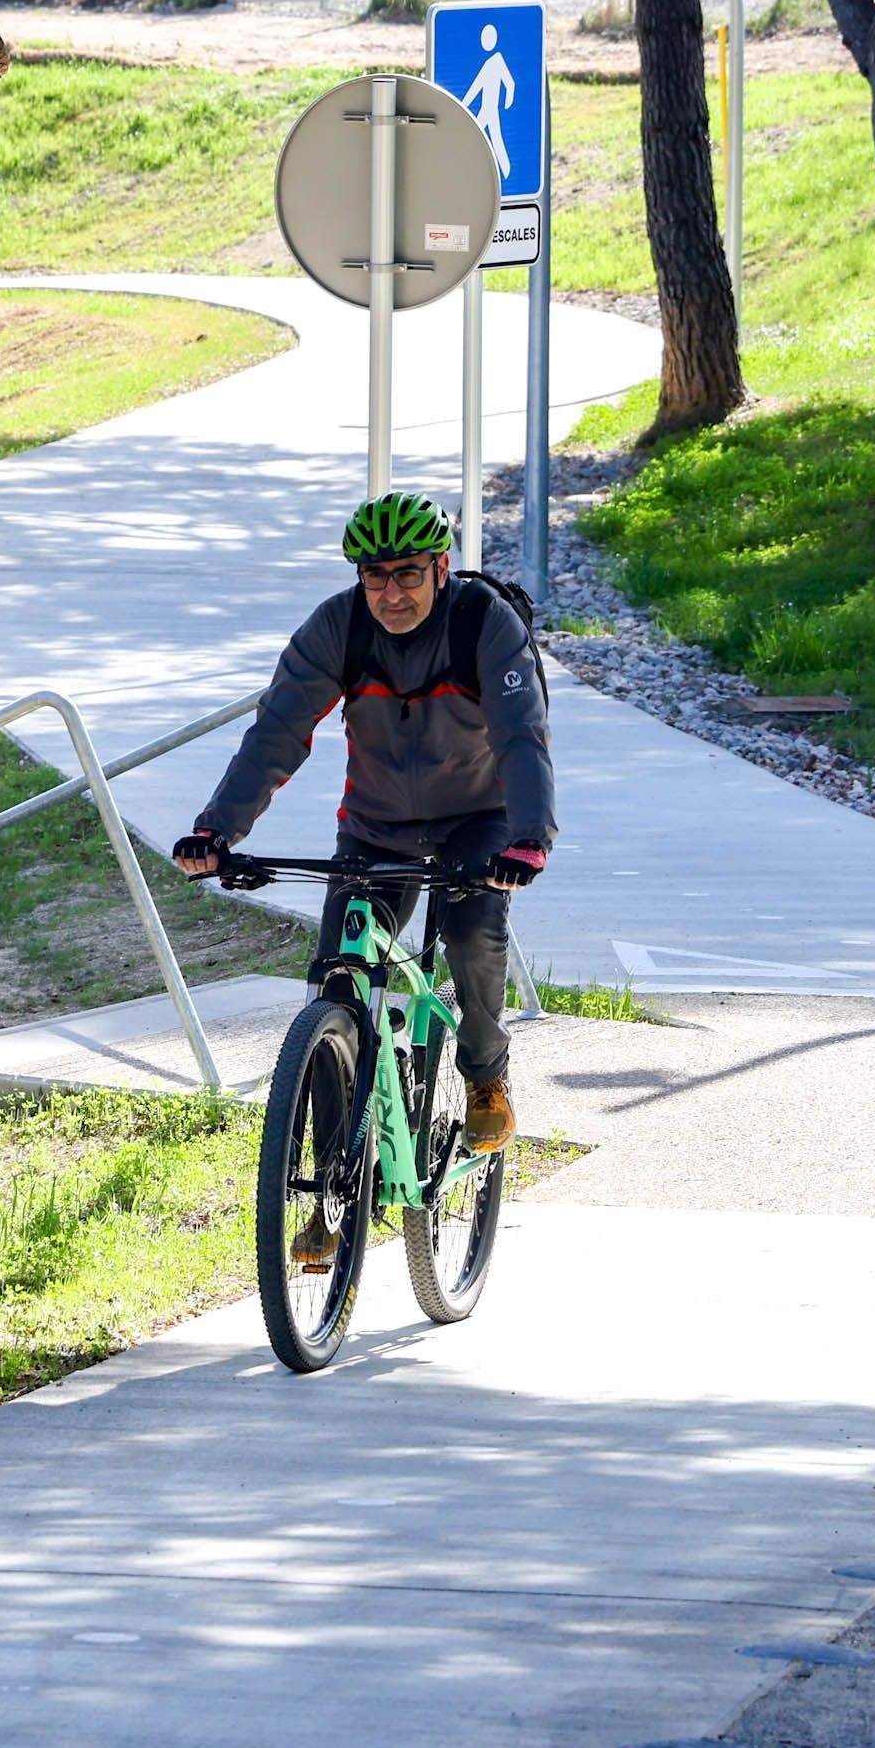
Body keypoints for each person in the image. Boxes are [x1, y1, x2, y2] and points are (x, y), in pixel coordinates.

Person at [173, 491, 554, 1234]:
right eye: (375, 576)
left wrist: (530, 836)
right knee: (337, 987)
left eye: (408, 573)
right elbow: (276, 735)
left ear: (441, 568)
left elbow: (521, 737)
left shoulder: (485, 623)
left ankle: (483, 1074)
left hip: (479, 821)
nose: (391, 593)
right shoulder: (338, 628)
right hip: (375, 831)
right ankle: (331, 1193)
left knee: (473, 934)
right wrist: (217, 830)